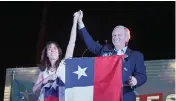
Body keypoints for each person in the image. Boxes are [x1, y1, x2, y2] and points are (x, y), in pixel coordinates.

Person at [76, 10, 147, 101]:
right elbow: (90, 44)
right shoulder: (105, 49)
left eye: (119, 35)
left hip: (124, 96)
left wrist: (135, 80)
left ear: (127, 38)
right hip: (104, 96)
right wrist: (80, 22)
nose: (115, 37)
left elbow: (142, 76)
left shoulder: (136, 55)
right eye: (114, 35)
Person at [32, 11, 79, 101]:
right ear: (47, 53)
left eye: (55, 48)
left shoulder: (64, 64)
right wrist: (46, 80)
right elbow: (34, 90)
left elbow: (72, 42)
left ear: (59, 52)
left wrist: (75, 20)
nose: (52, 50)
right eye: (49, 48)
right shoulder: (43, 71)